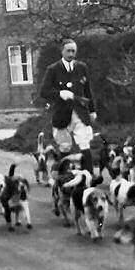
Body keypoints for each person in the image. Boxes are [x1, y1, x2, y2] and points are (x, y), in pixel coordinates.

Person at [40, 39, 97, 174]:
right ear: (62, 51)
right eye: (68, 51)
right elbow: (44, 92)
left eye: (73, 51)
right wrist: (60, 93)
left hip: (80, 112)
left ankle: (89, 176)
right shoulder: (53, 69)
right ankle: (64, 175)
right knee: (65, 146)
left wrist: (92, 110)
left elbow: (88, 90)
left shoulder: (82, 67)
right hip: (62, 114)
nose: (71, 54)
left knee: (84, 143)